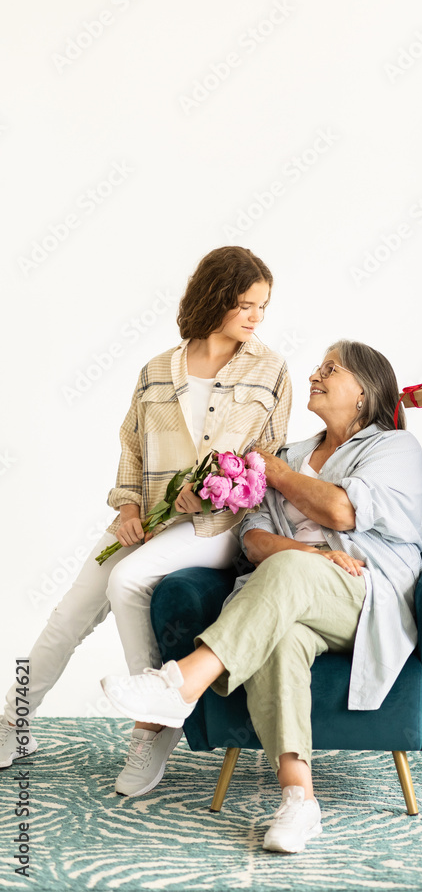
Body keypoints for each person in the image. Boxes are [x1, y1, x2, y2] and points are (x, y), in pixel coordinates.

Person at [101, 340, 422, 854]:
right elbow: (251, 535)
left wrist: (275, 474)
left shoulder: (392, 448)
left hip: (363, 595)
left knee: (289, 568)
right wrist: (307, 553)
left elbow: (344, 513)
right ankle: (300, 802)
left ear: (363, 391)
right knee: (282, 637)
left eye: (330, 369)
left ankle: (181, 682)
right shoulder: (295, 453)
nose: (315, 376)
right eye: (317, 366)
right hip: (289, 589)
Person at [1, 246, 292, 797]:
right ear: (215, 298)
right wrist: (131, 509)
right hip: (148, 517)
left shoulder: (270, 369)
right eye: (246, 305)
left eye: (263, 306)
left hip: (217, 527)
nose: (257, 317)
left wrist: (209, 497)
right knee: (68, 615)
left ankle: (152, 727)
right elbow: (132, 447)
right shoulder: (158, 370)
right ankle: (13, 723)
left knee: (127, 578)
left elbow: (267, 458)